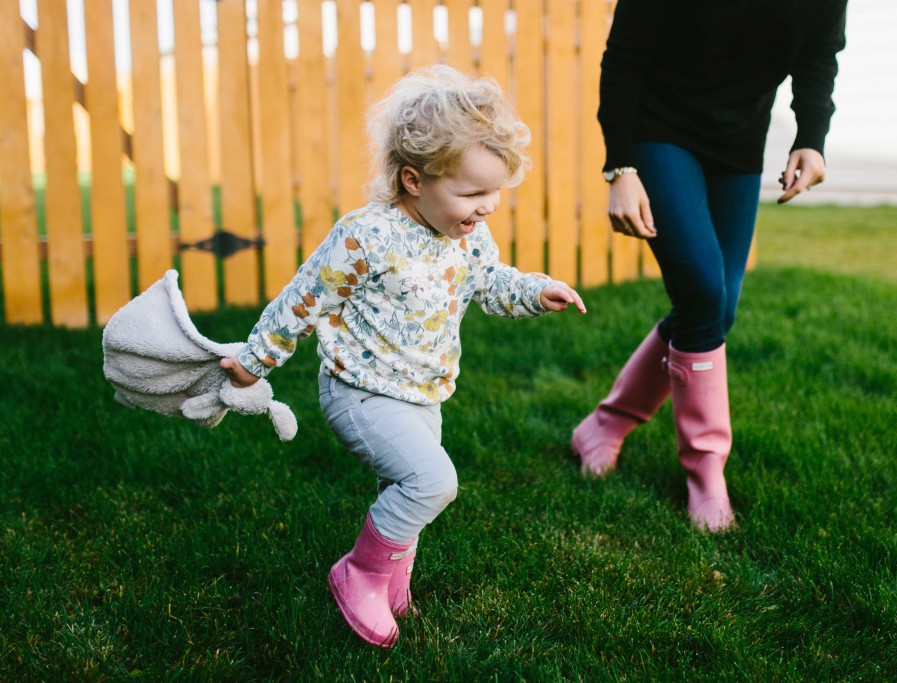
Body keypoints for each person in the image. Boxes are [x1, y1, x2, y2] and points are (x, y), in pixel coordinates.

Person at [220, 65, 586, 648]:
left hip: (424, 394)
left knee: (410, 481)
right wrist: (254, 360)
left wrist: (533, 292)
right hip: (361, 391)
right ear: (413, 179)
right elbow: (305, 298)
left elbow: (490, 281)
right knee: (432, 480)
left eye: (493, 192)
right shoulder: (368, 236)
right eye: (471, 193)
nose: (487, 206)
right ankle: (360, 572)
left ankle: (393, 584)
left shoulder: (466, 235)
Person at [571, 0, 848, 531]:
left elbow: (818, 59)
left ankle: (604, 425)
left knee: (716, 308)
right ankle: (704, 469)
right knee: (701, 291)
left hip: (739, 147)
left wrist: (812, 138)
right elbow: (624, 58)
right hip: (659, 133)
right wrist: (620, 167)